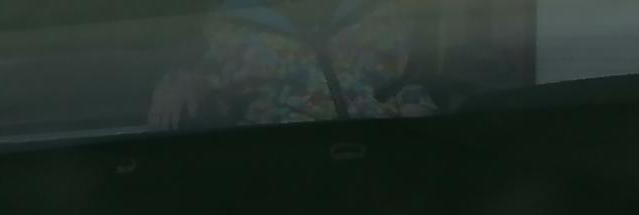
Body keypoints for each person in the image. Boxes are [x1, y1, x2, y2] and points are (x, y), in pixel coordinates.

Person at [149, 0, 435, 130]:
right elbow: (199, 77)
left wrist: (418, 108)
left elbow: (409, 77)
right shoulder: (230, 24)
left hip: (378, 157)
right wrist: (182, 82)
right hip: (282, 170)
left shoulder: (381, 10)